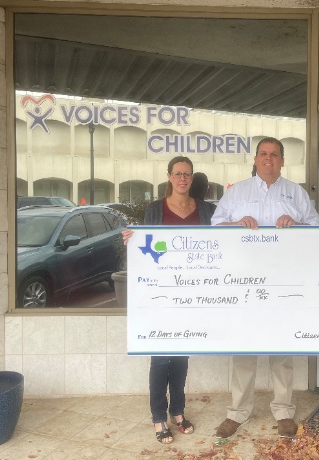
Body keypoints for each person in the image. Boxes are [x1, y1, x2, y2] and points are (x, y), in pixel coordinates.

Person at [211, 137, 319, 440]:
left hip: (283, 281)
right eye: (264, 154)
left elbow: (317, 229)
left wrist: (296, 224)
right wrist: (235, 225)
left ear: (282, 161)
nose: (269, 159)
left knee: (281, 348)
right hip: (244, 282)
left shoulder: (296, 192)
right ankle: (236, 413)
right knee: (244, 348)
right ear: (256, 159)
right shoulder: (237, 192)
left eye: (275, 155)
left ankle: (284, 411)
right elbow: (215, 227)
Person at [122, 156, 216, 444]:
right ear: (169, 177)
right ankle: (158, 419)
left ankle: (178, 412)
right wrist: (132, 239)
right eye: (178, 174)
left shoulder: (206, 210)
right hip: (161, 295)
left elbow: (221, 240)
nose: (183, 179)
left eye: (187, 174)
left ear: (192, 178)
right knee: (160, 359)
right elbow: (149, 246)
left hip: (192, 294)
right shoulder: (155, 209)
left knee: (181, 359)